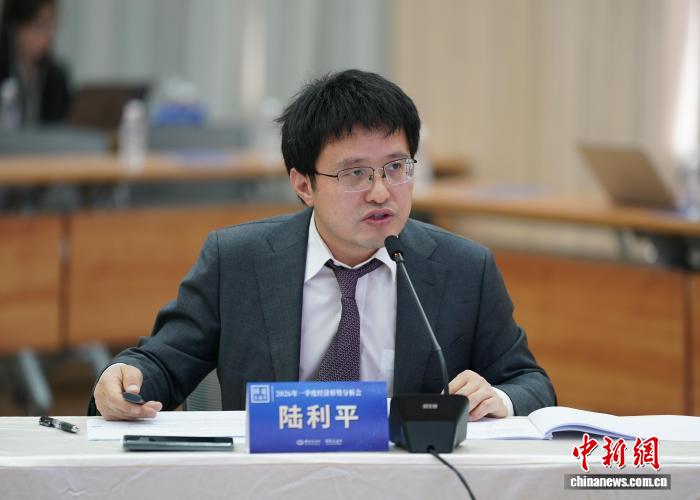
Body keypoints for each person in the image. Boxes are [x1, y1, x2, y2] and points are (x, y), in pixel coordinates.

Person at [92, 69, 556, 421]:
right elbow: (162, 362)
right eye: (355, 173)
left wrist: (499, 398)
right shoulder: (237, 261)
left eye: (396, 167)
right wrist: (123, 380)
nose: (380, 192)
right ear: (303, 184)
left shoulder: (463, 268)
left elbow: (530, 383)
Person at [0, 0, 71, 126]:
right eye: (39, 26)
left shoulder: (57, 77)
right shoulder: (3, 70)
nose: (48, 35)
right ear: (15, 27)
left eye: (51, 26)